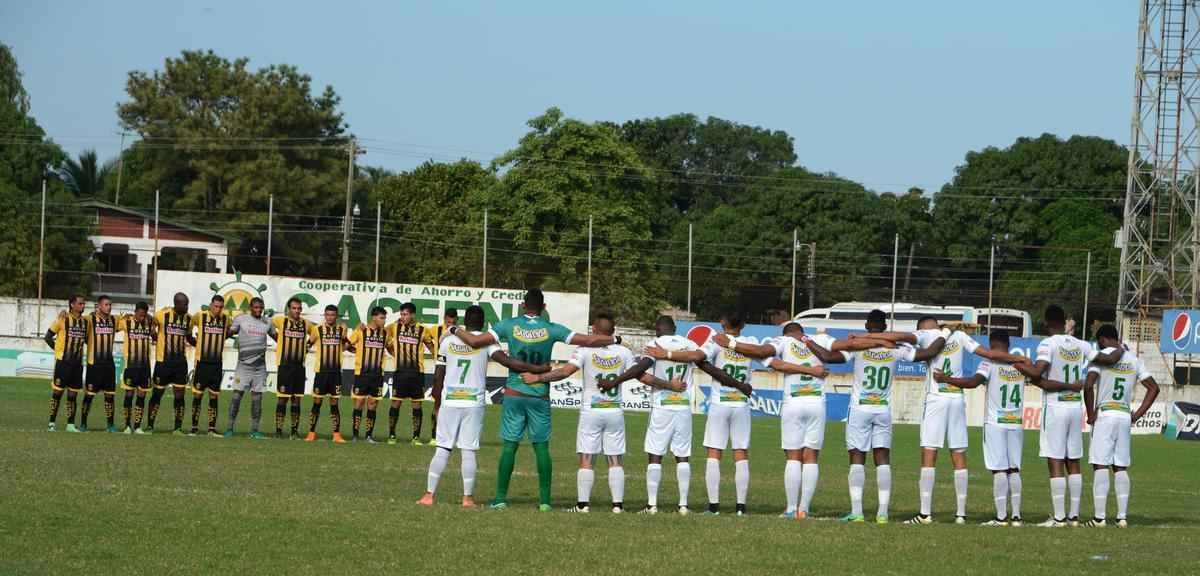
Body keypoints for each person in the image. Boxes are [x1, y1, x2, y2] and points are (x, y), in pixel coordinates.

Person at [450, 289, 614, 512]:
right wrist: (614, 339)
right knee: (542, 449)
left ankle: (500, 499)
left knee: (509, 447)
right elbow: (588, 340)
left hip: (514, 394)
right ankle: (545, 502)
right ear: (544, 307)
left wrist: (454, 328)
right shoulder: (552, 328)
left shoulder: (508, 325)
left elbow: (475, 341)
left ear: (523, 305)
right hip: (539, 395)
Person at [868, 317, 1028, 525]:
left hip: (936, 399)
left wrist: (870, 336)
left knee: (929, 453)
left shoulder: (926, 335)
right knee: (958, 455)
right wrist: (1021, 360)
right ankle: (960, 514)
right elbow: (988, 354)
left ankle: (925, 514)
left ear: (924, 327)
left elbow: (898, 336)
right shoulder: (960, 336)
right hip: (957, 399)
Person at [804, 309, 936, 524]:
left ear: (867, 326)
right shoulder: (897, 348)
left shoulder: (857, 347)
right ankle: (882, 514)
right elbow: (927, 354)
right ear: (885, 328)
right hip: (883, 409)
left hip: (860, 409)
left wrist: (806, 339)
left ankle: (857, 512)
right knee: (882, 458)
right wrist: (944, 336)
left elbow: (827, 356)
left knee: (857, 457)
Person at [607, 315, 745, 515]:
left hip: (662, 406)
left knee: (655, 455)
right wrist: (737, 384)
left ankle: (652, 505)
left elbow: (640, 369)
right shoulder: (689, 344)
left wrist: (616, 381)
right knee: (682, 456)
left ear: (657, 329)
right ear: (675, 328)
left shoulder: (655, 344)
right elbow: (708, 367)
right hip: (683, 407)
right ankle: (683, 505)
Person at [418, 305, 545, 508]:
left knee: (442, 448)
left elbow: (438, 376)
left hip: (450, 401)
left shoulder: (448, 340)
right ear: (484, 322)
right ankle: (467, 498)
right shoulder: (487, 342)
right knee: (468, 450)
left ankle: (428, 495)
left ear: (464, 321)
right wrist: (536, 369)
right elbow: (510, 363)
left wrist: (437, 403)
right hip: (473, 403)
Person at [521, 310, 638, 513]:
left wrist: (538, 378)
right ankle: (617, 506)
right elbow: (639, 373)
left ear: (593, 331)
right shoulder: (625, 352)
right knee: (615, 458)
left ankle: (583, 505)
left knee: (587, 457)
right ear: (613, 331)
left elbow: (565, 372)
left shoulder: (584, 349)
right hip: (614, 410)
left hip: (591, 411)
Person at [719, 322, 833, 519]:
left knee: (793, 456)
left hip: (794, 403)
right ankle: (803, 510)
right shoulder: (820, 341)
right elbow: (839, 351)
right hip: (817, 403)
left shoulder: (783, 341)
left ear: (786, 333)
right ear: (802, 333)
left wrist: (731, 344)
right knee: (811, 456)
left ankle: (790, 509)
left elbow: (763, 352)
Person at [1031, 304, 1121, 527]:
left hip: (1055, 406)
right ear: (1065, 322)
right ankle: (1073, 516)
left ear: (1046, 323)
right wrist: (1121, 349)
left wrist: (1025, 367)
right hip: (1074, 408)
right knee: (1073, 460)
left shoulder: (1047, 343)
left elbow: (1038, 371)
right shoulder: (1081, 345)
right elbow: (1106, 360)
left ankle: (1059, 517)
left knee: (1055, 459)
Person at [933, 330, 1035, 526]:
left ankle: (1000, 517)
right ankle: (1016, 517)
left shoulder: (989, 363)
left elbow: (972, 383)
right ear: (1008, 343)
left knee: (998, 470)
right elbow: (1037, 377)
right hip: (1015, 422)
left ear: (992, 343)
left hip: (995, 423)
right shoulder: (1022, 365)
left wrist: (947, 379)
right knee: (1014, 470)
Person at [1083, 324, 1159, 528]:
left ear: (1102, 339)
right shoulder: (1134, 359)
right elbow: (1153, 388)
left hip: (1105, 414)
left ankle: (1099, 518)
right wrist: (1138, 415)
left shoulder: (1100, 357)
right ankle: (1122, 517)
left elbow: (1088, 385)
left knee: (1100, 464)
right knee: (1120, 466)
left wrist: (1090, 414)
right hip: (1124, 415)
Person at [697, 310, 758, 516]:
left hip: (720, 402)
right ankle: (741, 508)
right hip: (741, 404)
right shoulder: (750, 342)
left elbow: (699, 358)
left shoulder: (716, 341)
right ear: (743, 325)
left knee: (714, 452)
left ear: (723, 322)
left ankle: (713, 507)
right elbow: (764, 355)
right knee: (740, 453)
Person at [386, 302, 438, 445]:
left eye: (405, 314)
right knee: (396, 403)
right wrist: (392, 351)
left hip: (417, 373)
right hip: (400, 372)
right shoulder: (394, 327)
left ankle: (415, 437)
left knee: (417, 405)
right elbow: (382, 335)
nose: (403, 317)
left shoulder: (422, 330)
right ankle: (391, 435)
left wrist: (439, 359)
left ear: (412, 314)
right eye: (401, 314)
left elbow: (431, 346)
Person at [226, 297, 274, 439]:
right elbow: (230, 332)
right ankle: (229, 428)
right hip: (243, 366)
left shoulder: (267, 322)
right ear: (250, 308)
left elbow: (278, 337)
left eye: (261, 307)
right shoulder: (241, 319)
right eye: (256, 307)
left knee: (257, 399)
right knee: (236, 397)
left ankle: (254, 430)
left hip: (259, 367)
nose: (258, 310)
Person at [147, 293, 195, 434]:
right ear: (177, 303)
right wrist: (154, 335)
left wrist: (198, 344)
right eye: (184, 304)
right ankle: (150, 425)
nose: (186, 307)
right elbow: (151, 324)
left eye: (187, 304)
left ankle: (178, 427)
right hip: (163, 363)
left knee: (179, 396)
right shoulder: (162, 315)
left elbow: (188, 337)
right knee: (157, 394)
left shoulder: (188, 319)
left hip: (180, 364)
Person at [347, 307, 393, 443]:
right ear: (374, 317)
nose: (384, 321)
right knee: (359, 402)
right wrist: (358, 352)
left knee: (373, 404)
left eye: (385, 318)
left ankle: (368, 435)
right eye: (381, 318)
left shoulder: (385, 334)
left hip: (377, 374)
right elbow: (347, 344)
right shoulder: (361, 330)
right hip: (362, 373)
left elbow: (390, 348)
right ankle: (355, 435)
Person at [306, 304, 351, 443]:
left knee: (334, 404)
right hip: (321, 372)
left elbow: (346, 345)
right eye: (328, 315)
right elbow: (308, 344)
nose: (330, 317)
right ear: (325, 316)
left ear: (336, 316)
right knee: (317, 403)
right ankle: (311, 433)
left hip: (336, 372)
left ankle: (336, 435)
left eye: (333, 315)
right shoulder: (317, 329)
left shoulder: (341, 329)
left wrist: (343, 347)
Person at [271, 297, 314, 439]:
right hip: (284, 366)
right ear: (288, 309)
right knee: (283, 398)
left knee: (297, 399)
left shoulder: (306, 324)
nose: (297, 311)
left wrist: (307, 346)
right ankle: (278, 431)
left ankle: (294, 432)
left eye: (299, 308)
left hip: (299, 368)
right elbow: (265, 325)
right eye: (294, 308)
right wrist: (276, 338)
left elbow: (317, 333)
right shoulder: (280, 320)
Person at [189, 295, 231, 436]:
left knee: (214, 396)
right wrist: (195, 343)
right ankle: (194, 427)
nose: (218, 309)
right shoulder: (200, 316)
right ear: (210, 305)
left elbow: (230, 330)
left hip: (217, 364)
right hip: (202, 363)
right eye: (216, 306)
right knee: (198, 396)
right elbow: (188, 327)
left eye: (220, 307)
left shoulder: (226, 319)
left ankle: (211, 429)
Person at [45, 294, 88, 433]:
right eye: (80, 303)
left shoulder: (85, 322)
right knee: (57, 393)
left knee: (73, 396)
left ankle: (70, 424)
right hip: (63, 363)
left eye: (83, 304)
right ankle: (51, 423)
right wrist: (58, 351)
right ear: (72, 305)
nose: (82, 306)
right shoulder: (62, 319)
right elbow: (48, 337)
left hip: (77, 364)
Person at [118, 302, 155, 434]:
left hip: (145, 366)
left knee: (142, 396)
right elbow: (112, 325)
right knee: (129, 395)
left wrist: (151, 320)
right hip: (131, 366)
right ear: (135, 312)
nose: (142, 318)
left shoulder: (149, 322)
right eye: (140, 315)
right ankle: (127, 425)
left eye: (144, 315)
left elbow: (154, 335)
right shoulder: (126, 321)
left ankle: (138, 426)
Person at [430, 308, 459, 445]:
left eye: (453, 320)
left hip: (454, 371)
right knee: (437, 402)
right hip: (440, 369)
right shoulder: (435, 330)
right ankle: (434, 435)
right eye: (448, 320)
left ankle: (452, 436)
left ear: (457, 319)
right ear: (444, 318)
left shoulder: (461, 332)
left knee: (454, 404)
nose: (451, 322)